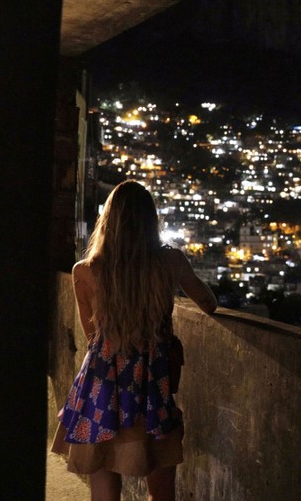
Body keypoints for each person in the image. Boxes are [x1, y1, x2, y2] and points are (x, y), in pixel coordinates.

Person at [51, 181, 217, 501]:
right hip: (153, 382)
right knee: (161, 483)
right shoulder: (171, 262)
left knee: (103, 484)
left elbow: (92, 336)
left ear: (107, 220)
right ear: (150, 221)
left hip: (101, 387)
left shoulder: (85, 271)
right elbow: (208, 303)